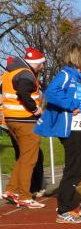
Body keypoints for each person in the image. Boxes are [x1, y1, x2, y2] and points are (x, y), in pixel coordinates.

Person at [35, 44, 81, 224]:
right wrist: (71, 105)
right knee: (75, 169)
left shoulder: (76, 78)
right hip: (72, 129)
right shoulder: (65, 75)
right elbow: (51, 93)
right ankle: (64, 210)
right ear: (78, 59)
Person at [1, 47, 46, 209]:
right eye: (42, 63)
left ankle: (11, 190)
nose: (42, 66)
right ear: (37, 62)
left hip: (11, 119)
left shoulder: (10, 72)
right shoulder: (26, 73)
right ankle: (25, 196)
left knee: (24, 156)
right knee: (30, 159)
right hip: (25, 120)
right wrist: (35, 108)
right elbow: (23, 91)